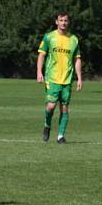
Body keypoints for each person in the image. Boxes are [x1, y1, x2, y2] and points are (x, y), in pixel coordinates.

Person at [37, 11, 82, 144]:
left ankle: (60, 136)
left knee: (64, 108)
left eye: (65, 20)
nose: (63, 23)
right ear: (56, 22)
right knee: (50, 106)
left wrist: (79, 77)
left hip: (67, 79)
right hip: (52, 78)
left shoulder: (74, 39)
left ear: (68, 22)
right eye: (61, 20)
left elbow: (77, 59)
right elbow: (41, 55)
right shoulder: (49, 37)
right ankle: (47, 125)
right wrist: (39, 72)